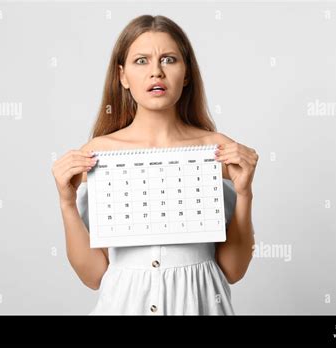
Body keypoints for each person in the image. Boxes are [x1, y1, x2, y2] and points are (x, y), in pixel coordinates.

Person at [52, 14, 259, 315]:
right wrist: (67, 203)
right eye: (141, 61)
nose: (156, 72)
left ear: (186, 74)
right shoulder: (98, 155)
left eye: (169, 59)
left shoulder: (217, 150)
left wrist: (245, 194)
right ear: (122, 76)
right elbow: (93, 275)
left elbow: (233, 270)